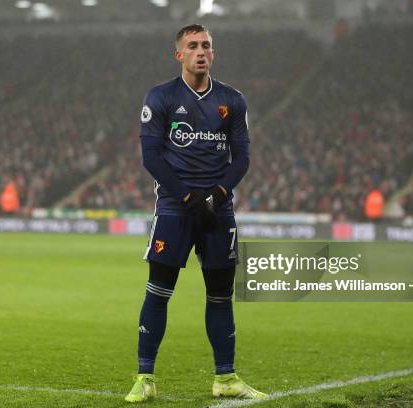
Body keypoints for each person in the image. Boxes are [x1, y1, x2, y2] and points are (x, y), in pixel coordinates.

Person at [125, 24, 267, 402]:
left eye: (206, 45)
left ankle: (226, 378)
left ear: (213, 53)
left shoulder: (232, 100)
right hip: (175, 209)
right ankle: (145, 378)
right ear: (180, 55)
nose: (201, 51)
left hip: (218, 211)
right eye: (193, 45)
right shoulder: (160, 97)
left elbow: (243, 158)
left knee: (220, 296)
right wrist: (188, 197)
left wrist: (218, 195)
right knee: (158, 291)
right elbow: (151, 157)